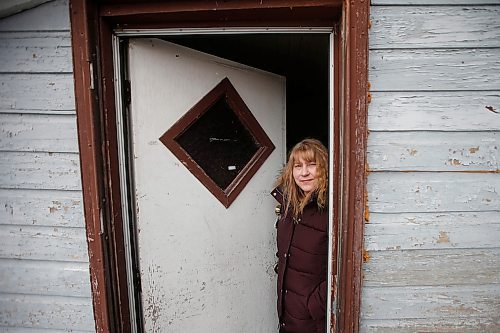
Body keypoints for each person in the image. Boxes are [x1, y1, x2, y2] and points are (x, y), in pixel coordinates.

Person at [271, 138, 329, 333]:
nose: (304, 173)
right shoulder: (289, 208)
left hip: (313, 319)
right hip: (287, 312)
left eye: (312, 165)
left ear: (325, 169)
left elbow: (342, 267)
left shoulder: (332, 212)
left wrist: (314, 305)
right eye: (298, 166)